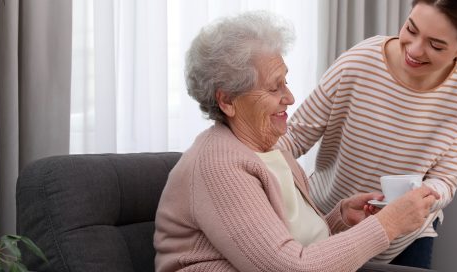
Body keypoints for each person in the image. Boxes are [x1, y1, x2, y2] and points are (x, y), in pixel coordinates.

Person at [153, 11, 439, 272]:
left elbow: (288, 247)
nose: (289, 98)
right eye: (274, 87)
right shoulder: (218, 165)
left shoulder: (273, 151)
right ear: (228, 100)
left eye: (285, 82)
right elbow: (289, 268)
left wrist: (339, 219)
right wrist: (387, 224)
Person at [277, 0, 457, 268]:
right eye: (411, 29)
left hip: (405, 237)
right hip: (327, 220)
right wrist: (245, 163)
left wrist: (416, 198)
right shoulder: (360, 61)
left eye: (435, 45)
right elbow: (293, 137)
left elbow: (445, 179)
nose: (414, 49)